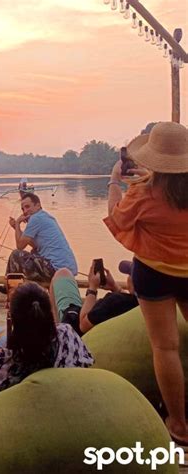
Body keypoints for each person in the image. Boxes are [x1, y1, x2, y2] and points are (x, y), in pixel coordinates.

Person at [104, 122, 188, 445]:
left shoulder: (143, 193)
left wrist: (115, 180)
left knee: (165, 347)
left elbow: (116, 219)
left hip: (154, 274)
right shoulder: (148, 189)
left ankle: (179, 426)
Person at [0, 282, 94, 414]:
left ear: (12, 320)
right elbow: (88, 363)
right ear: (49, 313)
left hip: (15, 419)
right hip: (66, 407)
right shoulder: (67, 335)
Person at [0, 193, 78, 293]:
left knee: (16, 254)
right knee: (34, 252)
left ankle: (11, 289)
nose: (25, 211)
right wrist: (15, 228)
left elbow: (20, 246)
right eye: (23, 209)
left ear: (38, 205)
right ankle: (17, 288)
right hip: (68, 271)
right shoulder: (45, 217)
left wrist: (17, 224)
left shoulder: (35, 218)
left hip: (55, 270)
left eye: (27, 207)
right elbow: (34, 244)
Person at [50, 261, 138, 335]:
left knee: (62, 273)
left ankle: (59, 337)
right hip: (106, 333)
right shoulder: (143, 309)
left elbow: (83, 325)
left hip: (78, 336)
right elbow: (132, 300)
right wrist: (115, 287)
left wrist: (92, 288)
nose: (128, 278)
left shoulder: (114, 302)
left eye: (130, 274)